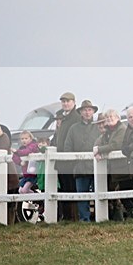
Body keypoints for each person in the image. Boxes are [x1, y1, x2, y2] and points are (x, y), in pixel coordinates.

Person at [65, 100, 99, 222]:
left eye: (90, 109)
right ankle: (85, 219)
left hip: (97, 167)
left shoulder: (99, 127)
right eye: (85, 110)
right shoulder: (74, 129)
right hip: (80, 168)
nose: (87, 112)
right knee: (82, 195)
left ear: (93, 111)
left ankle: (100, 217)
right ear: (80, 112)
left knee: (99, 193)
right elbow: (67, 147)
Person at [93, 109, 130, 220]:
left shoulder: (121, 129)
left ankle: (126, 217)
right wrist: (99, 150)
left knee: (119, 193)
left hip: (120, 166)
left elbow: (116, 145)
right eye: (107, 118)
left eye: (112, 117)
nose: (109, 120)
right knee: (111, 191)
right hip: (111, 167)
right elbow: (101, 141)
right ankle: (113, 218)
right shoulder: (108, 131)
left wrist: (99, 150)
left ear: (118, 118)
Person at [53, 92, 81, 221]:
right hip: (61, 160)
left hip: (71, 160)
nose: (65, 103)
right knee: (63, 188)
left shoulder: (76, 117)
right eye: (63, 101)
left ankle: (73, 217)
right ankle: (66, 217)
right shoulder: (61, 118)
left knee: (71, 189)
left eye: (68, 101)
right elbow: (57, 138)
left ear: (74, 102)